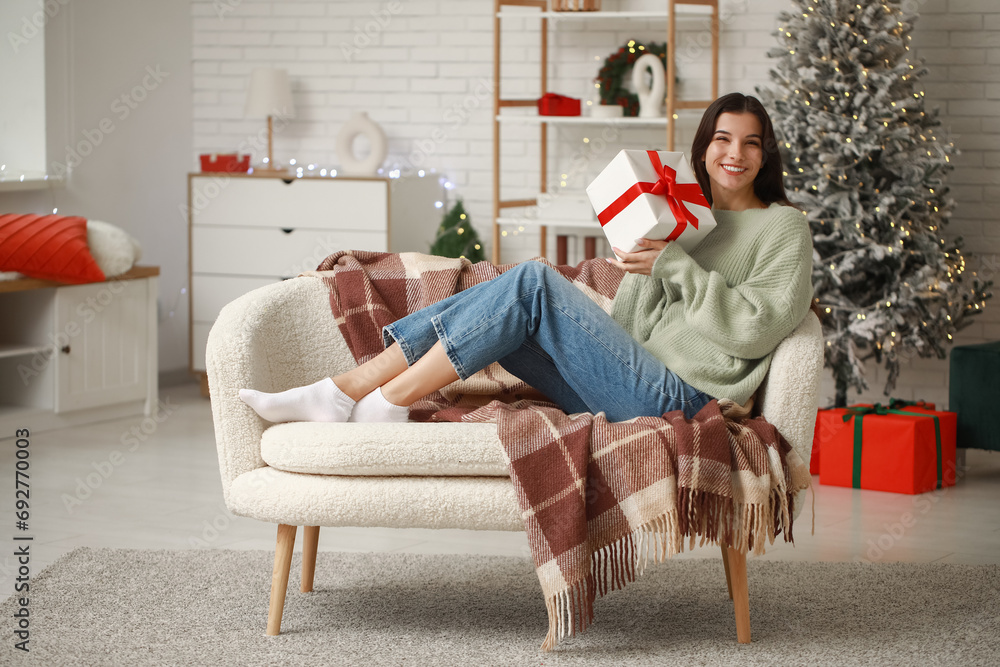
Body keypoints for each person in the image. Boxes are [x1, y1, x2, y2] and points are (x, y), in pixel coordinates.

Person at [239, 92, 814, 425]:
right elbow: (635, 329)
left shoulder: (783, 228)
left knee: (534, 281)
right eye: (721, 138)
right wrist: (643, 254)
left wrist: (673, 267)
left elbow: (752, 329)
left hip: (680, 400)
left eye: (750, 142)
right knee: (510, 306)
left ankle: (375, 396)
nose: (734, 153)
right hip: (629, 384)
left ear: (766, 155)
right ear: (704, 146)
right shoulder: (690, 215)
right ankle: (350, 392)